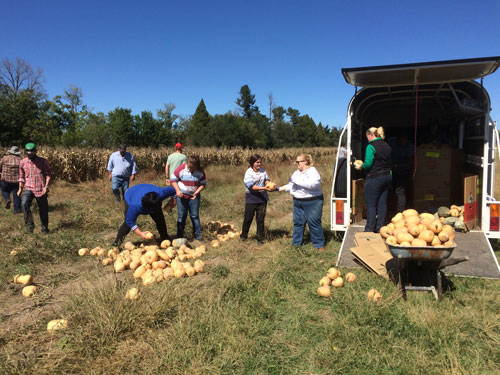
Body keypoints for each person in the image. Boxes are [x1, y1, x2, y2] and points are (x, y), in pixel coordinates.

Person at [278, 154, 325, 251]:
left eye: (298, 162)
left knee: (314, 223)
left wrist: (295, 181)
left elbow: (313, 185)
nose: (296, 164)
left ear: (305, 162)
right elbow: (291, 186)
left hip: (312, 202)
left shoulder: (312, 172)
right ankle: (296, 244)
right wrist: (277, 189)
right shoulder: (296, 173)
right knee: (298, 223)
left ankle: (319, 245)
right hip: (298, 201)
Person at [354, 126, 392, 233]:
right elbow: (390, 162)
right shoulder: (386, 145)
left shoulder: (370, 146)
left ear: (371, 135)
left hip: (375, 178)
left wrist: (361, 166)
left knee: (371, 205)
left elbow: (368, 163)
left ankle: (369, 228)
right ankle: (380, 227)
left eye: (367, 137)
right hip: (387, 176)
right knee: (382, 203)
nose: (367, 139)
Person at [17, 143, 52, 234]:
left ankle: (45, 229)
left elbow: (48, 174)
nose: (29, 154)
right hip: (29, 188)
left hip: (41, 188)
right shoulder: (22, 162)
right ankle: (30, 226)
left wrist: (46, 186)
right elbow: (21, 176)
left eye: (31, 152)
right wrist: (20, 188)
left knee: (43, 209)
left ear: (35, 151)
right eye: (28, 153)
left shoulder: (43, 161)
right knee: (24, 204)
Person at [241, 154, 274, 245]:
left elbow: (266, 180)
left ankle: (260, 239)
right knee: (248, 218)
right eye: (257, 162)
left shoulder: (263, 171)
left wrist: (269, 184)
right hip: (251, 198)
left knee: (260, 219)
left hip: (262, 198)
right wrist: (265, 188)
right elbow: (251, 187)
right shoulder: (249, 172)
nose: (259, 164)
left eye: (260, 162)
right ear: (252, 163)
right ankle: (243, 236)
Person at [171, 155, 206, 240]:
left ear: (196, 166)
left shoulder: (200, 171)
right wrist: (178, 191)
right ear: (187, 163)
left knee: (194, 216)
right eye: (189, 167)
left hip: (194, 197)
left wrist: (196, 193)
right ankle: (179, 236)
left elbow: (203, 184)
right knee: (181, 216)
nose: (190, 169)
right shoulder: (181, 168)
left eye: (192, 168)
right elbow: (173, 180)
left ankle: (198, 236)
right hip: (182, 196)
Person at [388, 133, 414, 212]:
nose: (402, 143)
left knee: (400, 191)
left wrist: (396, 165)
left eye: (404, 141)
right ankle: (393, 209)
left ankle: (400, 211)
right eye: (400, 141)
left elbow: (410, 161)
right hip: (392, 171)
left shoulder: (410, 147)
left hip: (404, 171)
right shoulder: (391, 142)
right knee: (391, 189)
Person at [0, 146, 22, 214]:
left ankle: (7, 199)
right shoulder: (20, 160)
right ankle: (17, 210)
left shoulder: (4, 158)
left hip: (5, 179)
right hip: (16, 181)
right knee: (16, 194)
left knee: (4, 190)